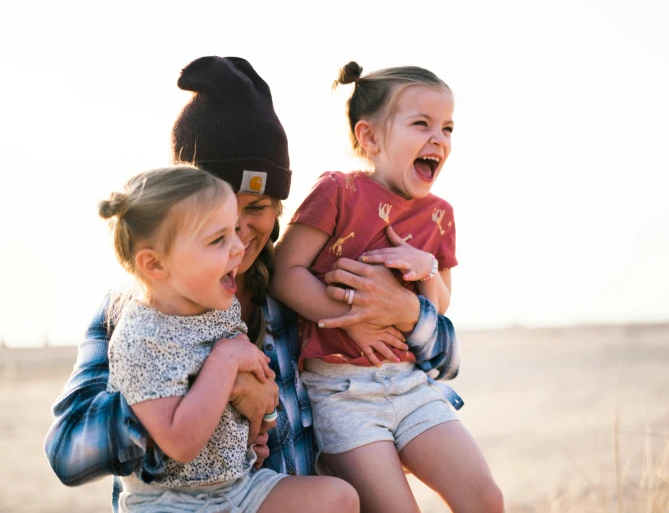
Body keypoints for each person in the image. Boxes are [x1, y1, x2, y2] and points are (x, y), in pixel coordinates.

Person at [44, 56, 461, 513]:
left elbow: (446, 360)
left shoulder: (297, 292)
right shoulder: (132, 308)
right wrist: (211, 393)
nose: (240, 230)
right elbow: (69, 453)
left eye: (258, 205)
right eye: (218, 213)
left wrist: (405, 313)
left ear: (280, 210)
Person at [270, 62, 504, 513]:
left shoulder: (440, 214)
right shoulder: (337, 191)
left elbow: (438, 306)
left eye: (448, 128)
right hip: (342, 392)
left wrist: (427, 268)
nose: (439, 139)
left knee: (485, 498)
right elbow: (285, 272)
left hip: (409, 384)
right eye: (422, 124)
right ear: (370, 138)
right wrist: (349, 322)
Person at [99, 166, 291, 511]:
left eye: (233, 231)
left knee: (339, 498)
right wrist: (226, 360)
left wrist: (257, 430)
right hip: (173, 501)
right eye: (219, 239)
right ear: (155, 265)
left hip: (236, 485)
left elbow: (259, 387)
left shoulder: (217, 306)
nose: (238, 247)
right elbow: (181, 443)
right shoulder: (141, 338)